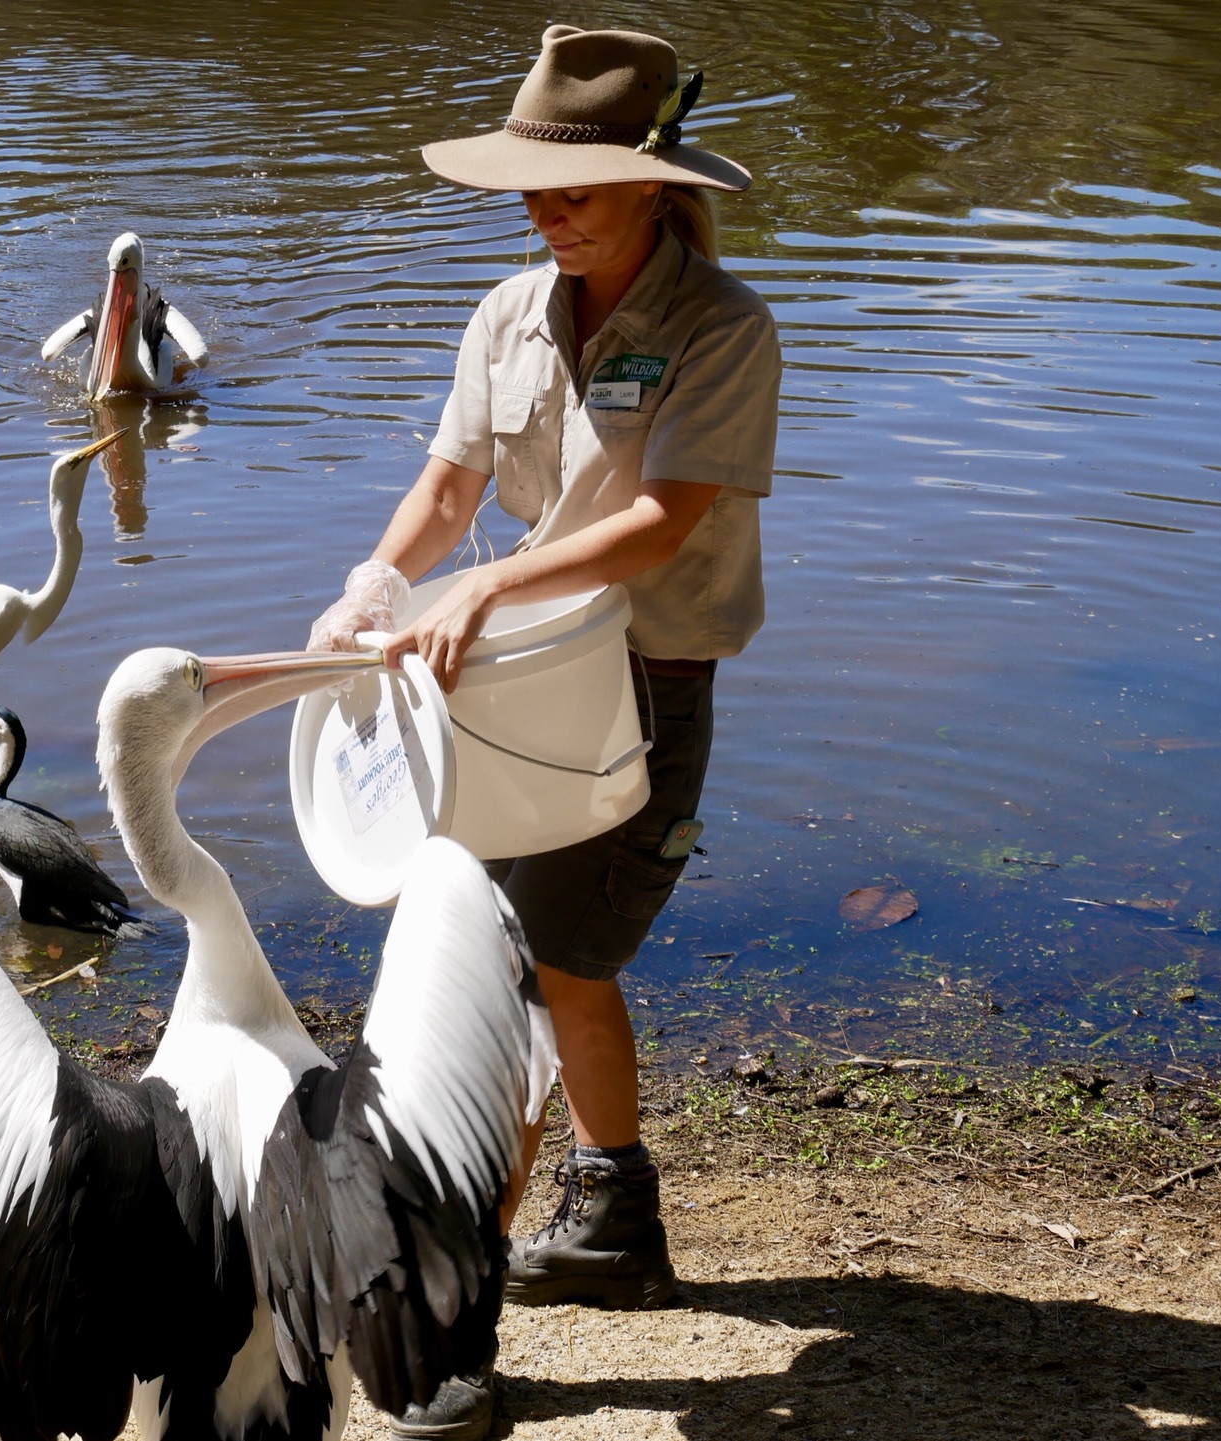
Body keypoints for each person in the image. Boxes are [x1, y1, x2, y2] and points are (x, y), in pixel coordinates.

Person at [305, 26, 780, 1439]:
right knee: (539, 968)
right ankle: (613, 1210)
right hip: (507, 681)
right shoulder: (511, 312)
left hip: (647, 685)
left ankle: (446, 1327)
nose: (543, 211)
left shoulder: (723, 328)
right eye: (530, 188)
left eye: (571, 190)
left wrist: (492, 577)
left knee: (536, 970)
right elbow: (447, 489)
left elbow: (660, 522)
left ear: (651, 186)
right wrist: (379, 579)